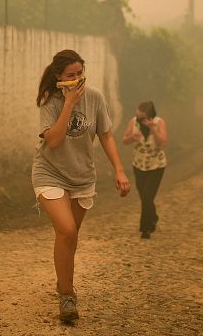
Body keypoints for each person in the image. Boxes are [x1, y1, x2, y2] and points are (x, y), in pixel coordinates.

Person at [32, 49, 131, 322]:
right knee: (65, 230)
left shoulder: (96, 97)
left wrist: (119, 171)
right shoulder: (50, 101)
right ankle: (67, 296)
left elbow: (106, 135)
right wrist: (68, 105)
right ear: (58, 77)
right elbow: (53, 140)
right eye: (70, 75)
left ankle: (63, 281)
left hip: (82, 177)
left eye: (79, 74)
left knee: (71, 237)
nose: (76, 80)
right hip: (50, 172)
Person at [121, 100, 168, 239]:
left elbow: (163, 143)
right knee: (144, 196)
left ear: (149, 116)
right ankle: (153, 216)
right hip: (139, 164)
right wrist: (132, 137)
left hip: (156, 165)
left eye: (141, 117)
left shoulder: (159, 123)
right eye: (137, 116)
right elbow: (124, 140)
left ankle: (145, 228)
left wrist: (153, 129)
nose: (138, 119)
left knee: (148, 196)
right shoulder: (133, 122)